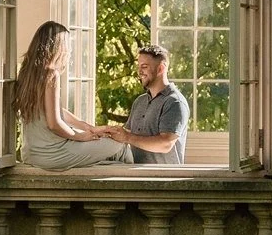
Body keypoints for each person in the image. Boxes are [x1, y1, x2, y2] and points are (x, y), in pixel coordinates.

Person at [15, 21, 133, 170]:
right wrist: (81, 136)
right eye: (67, 46)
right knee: (119, 144)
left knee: (107, 152)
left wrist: (89, 128)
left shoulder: (26, 73)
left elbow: (54, 111)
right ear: (58, 47)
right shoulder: (51, 74)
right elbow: (54, 124)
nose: (69, 52)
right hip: (52, 153)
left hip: (30, 154)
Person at [98, 43, 190, 164]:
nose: (139, 71)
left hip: (165, 179)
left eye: (144, 66)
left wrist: (127, 137)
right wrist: (106, 133)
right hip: (138, 177)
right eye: (139, 66)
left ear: (161, 68)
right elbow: (128, 134)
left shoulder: (174, 102)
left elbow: (165, 144)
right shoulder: (140, 101)